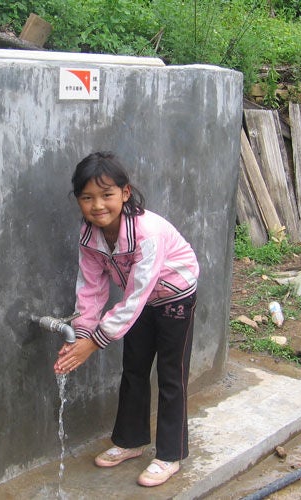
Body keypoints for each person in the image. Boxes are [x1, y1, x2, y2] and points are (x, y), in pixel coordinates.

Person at [53, 151, 199, 487]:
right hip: (140, 300)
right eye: (87, 197)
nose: (98, 205)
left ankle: (169, 455)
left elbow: (135, 295)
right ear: (78, 200)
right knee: (133, 368)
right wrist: (82, 334)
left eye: (107, 195)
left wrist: (94, 343)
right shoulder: (89, 236)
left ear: (125, 193)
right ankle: (131, 441)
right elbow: (90, 288)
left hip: (174, 294)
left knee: (171, 374)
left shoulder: (147, 233)